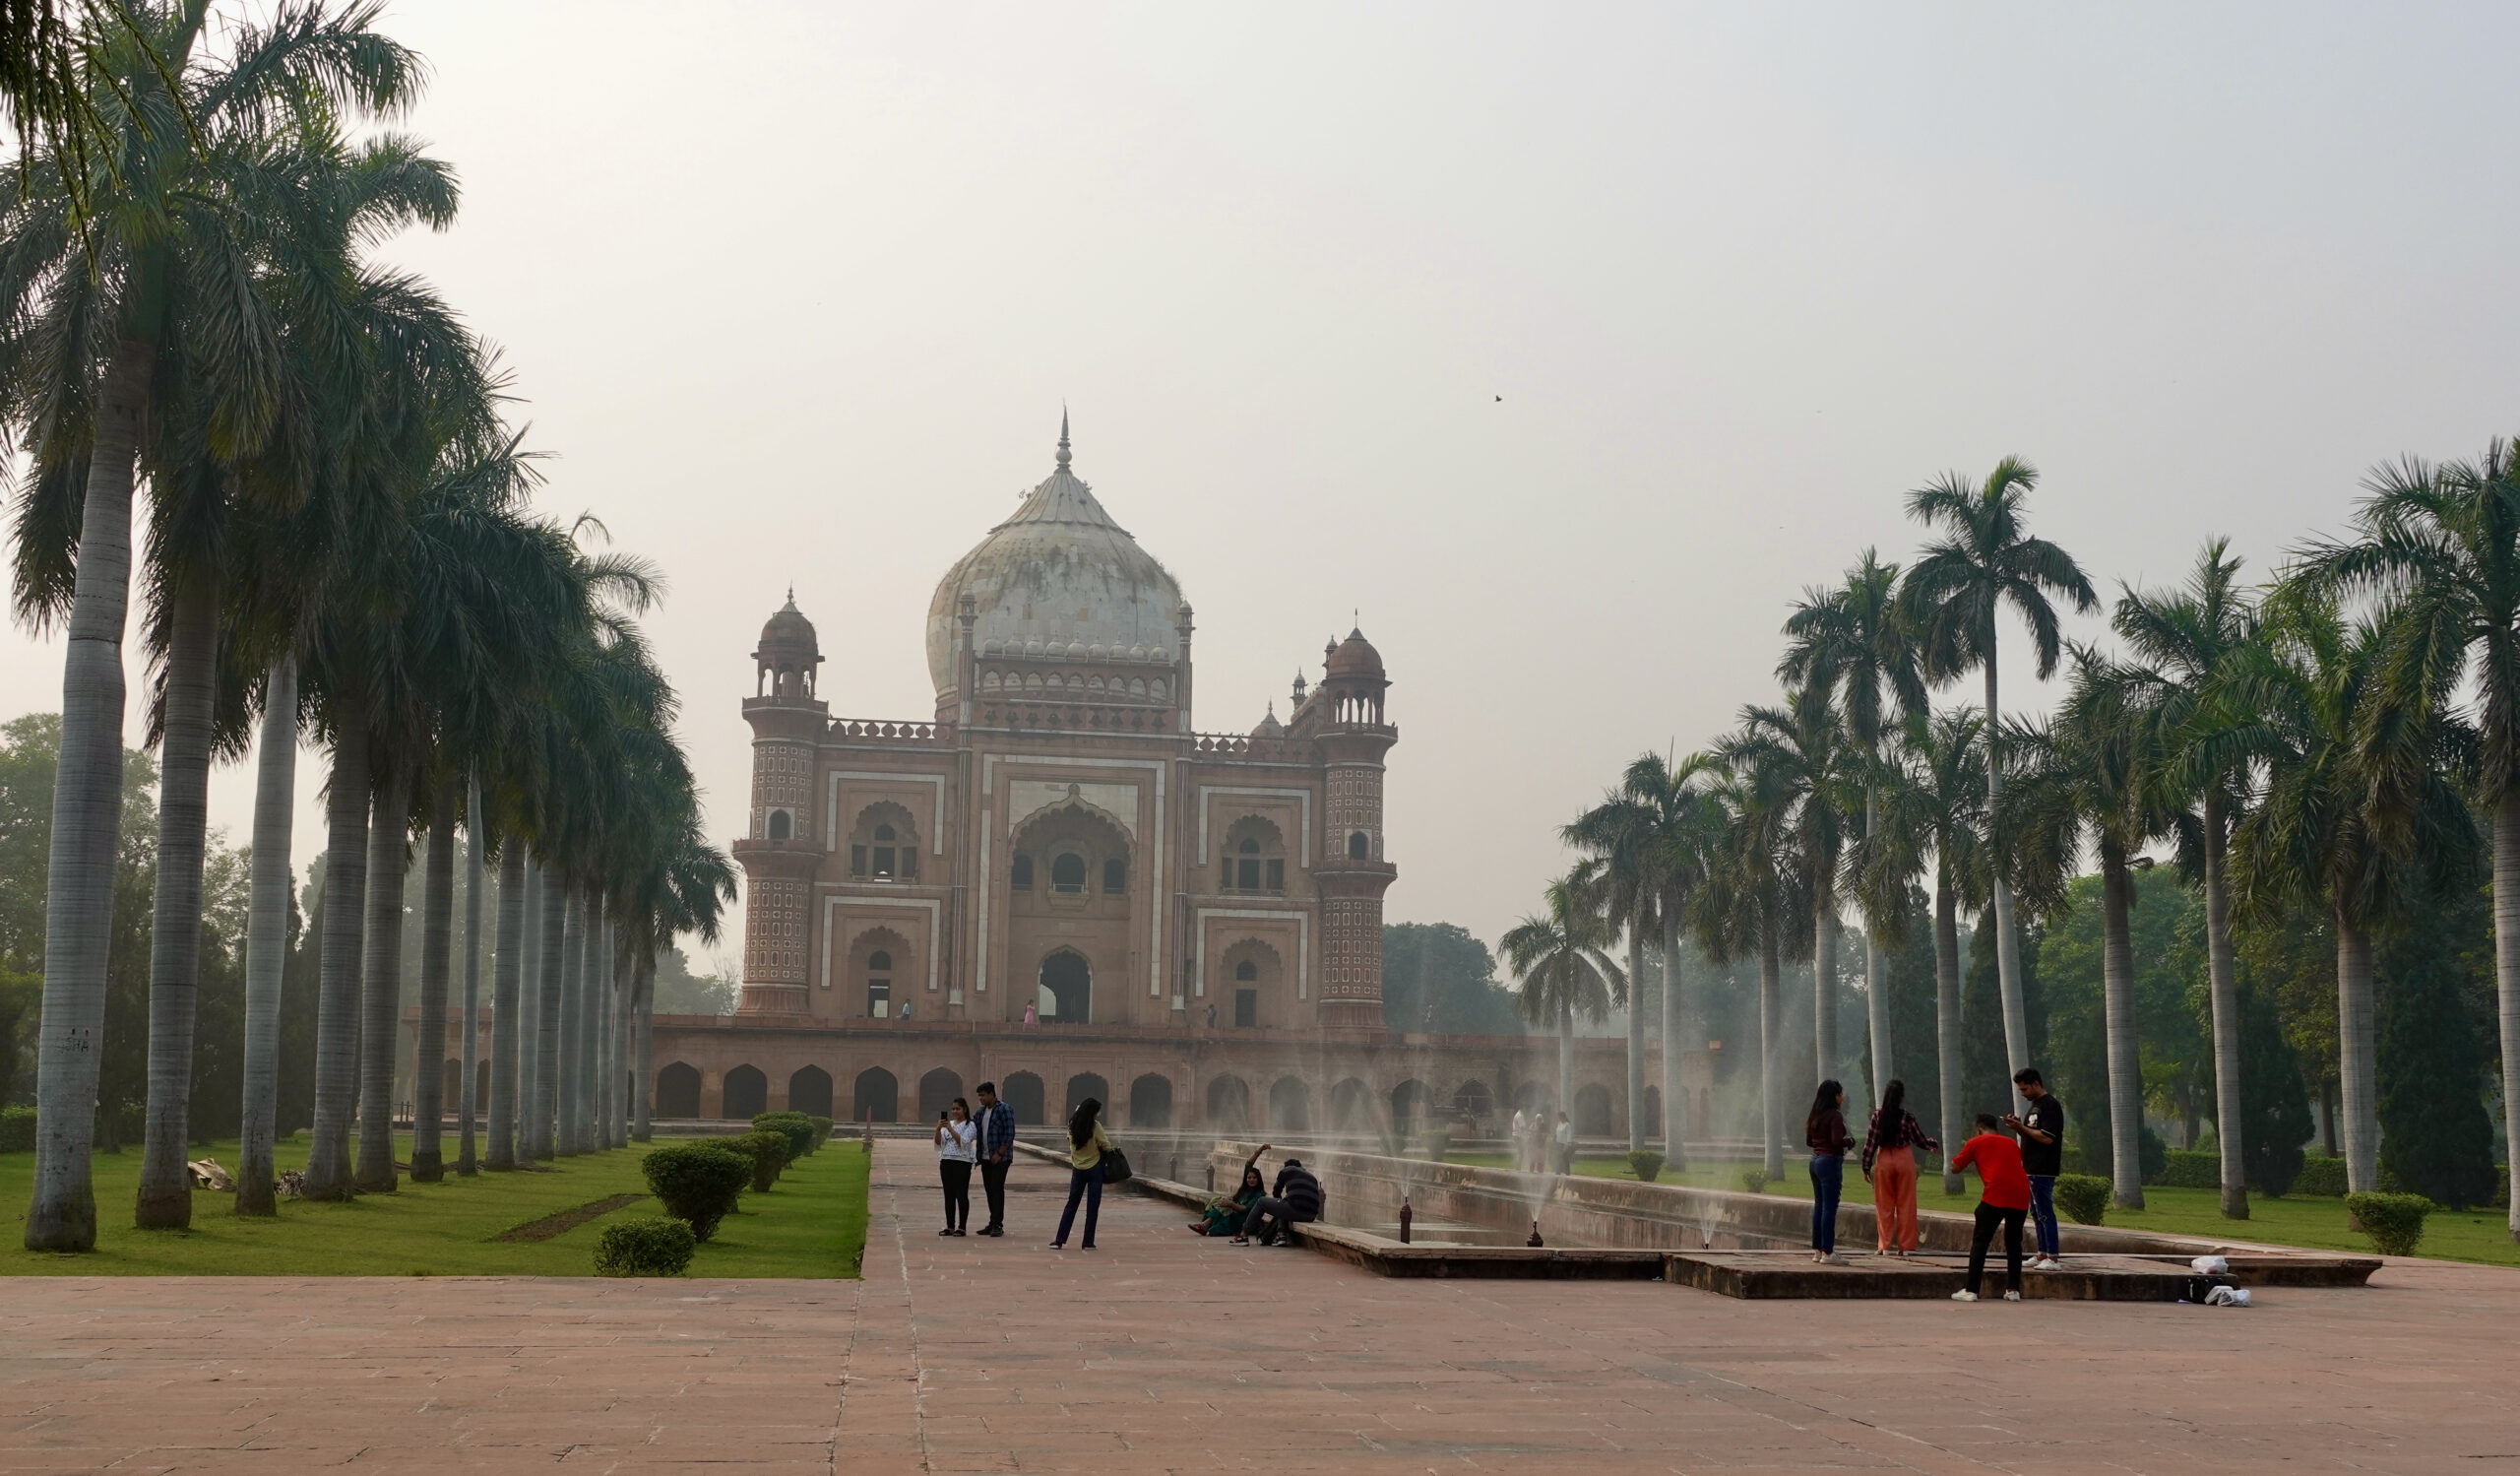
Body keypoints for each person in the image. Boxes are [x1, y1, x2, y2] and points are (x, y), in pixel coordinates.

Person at [1951, 1113, 2032, 1302]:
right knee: (2013, 1243)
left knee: (1980, 1241)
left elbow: (1955, 1167)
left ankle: (1971, 1290)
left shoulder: (1975, 1142)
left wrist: (1972, 1158)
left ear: (1979, 1129)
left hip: (1996, 1193)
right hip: (2021, 1194)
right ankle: (2013, 1290)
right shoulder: (2011, 1143)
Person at [1861, 1079, 1939, 1257]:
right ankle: (1905, 1247)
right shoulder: (1907, 1117)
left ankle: (1885, 1246)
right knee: (1906, 1204)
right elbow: (1919, 1139)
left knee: (1884, 1204)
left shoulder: (1877, 1116)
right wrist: (1932, 1144)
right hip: (1904, 1158)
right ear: (1902, 1097)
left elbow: (1870, 1143)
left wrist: (1866, 1167)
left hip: (1884, 1159)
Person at [2003, 1067, 2066, 1270]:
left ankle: (2053, 1256)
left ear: (2036, 1084)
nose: (2022, 1093)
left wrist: (2020, 1128)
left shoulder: (2050, 1106)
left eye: (2024, 1089)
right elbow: (2032, 1133)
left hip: (2043, 1167)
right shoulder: (2035, 1106)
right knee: (2036, 1211)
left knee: (2045, 1211)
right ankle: (2042, 1253)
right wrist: (2019, 1125)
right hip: (2030, 1167)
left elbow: (2047, 1138)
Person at [1050, 1096, 1112, 1251]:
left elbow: (1069, 1141)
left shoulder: (1073, 1124)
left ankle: (1059, 1240)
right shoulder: (1095, 1126)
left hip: (1078, 1168)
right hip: (1095, 1169)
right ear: (1093, 1112)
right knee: (1092, 1206)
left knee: (1071, 1204)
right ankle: (1087, 1242)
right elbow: (1106, 1145)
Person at [1805, 1079, 1853, 1266]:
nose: (1842, 1097)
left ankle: (1818, 1250)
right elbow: (1835, 1141)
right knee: (1829, 1208)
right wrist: (1849, 1142)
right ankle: (1828, 1251)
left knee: (1819, 1206)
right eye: (1840, 1094)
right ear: (1834, 1096)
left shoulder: (1815, 1114)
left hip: (1815, 1161)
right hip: (1829, 1162)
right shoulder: (1835, 1116)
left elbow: (1809, 1141)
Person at [1233, 1155, 1325, 1245]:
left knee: (1262, 1201)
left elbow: (1276, 1192)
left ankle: (1243, 1235)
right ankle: (1281, 1235)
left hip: (1295, 1210)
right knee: (1284, 1203)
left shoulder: (1286, 1171)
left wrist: (1277, 1203)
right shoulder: (1312, 1178)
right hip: (1310, 1216)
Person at [1193, 1144, 1270, 1236]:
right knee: (1215, 1200)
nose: (1251, 1180)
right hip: (1233, 1214)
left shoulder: (1259, 1194)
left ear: (1259, 1179)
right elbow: (1248, 1164)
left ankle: (1205, 1225)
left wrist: (1230, 1204)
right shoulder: (1245, 1188)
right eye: (1249, 1177)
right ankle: (1204, 1225)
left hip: (1242, 1220)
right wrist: (1260, 1150)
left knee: (1214, 1230)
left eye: (1254, 1178)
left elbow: (1245, 1209)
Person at [974, 1080, 1017, 1238]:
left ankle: (998, 1224)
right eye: (979, 1096)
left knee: (997, 1189)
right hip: (985, 1157)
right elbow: (972, 1129)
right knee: (989, 1190)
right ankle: (993, 1222)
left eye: (983, 1095)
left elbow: (1009, 1133)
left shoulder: (1004, 1109)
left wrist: (999, 1153)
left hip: (1001, 1158)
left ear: (992, 1094)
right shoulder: (980, 1112)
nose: (981, 1099)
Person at [934, 1097, 978, 1236]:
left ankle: (962, 1227)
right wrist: (938, 1129)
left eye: (958, 1108)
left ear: (964, 1109)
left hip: (962, 1162)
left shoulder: (970, 1125)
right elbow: (938, 1143)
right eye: (953, 1109)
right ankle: (950, 1226)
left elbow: (964, 1143)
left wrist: (951, 1129)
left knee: (961, 1194)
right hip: (946, 1161)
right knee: (949, 1195)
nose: (955, 1111)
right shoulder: (949, 1124)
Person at [1551, 1111, 1575, 1175]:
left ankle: (1567, 1173)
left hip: (1564, 1144)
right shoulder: (1559, 1123)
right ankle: (1558, 1171)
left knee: (1565, 1159)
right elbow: (1557, 1133)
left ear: (1563, 1117)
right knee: (1558, 1158)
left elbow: (1569, 1136)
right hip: (1558, 1143)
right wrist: (1554, 1139)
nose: (1558, 1118)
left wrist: (1567, 1145)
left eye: (1559, 1117)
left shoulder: (1567, 1125)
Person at [1510, 1106, 1533, 1171]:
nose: (1526, 1110)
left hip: (1517, 1136)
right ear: (1523, 1108)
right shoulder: (1520, 1116)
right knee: (1520, 1152)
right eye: (1526, 1108)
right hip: (1518, 1136)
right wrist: (1529, 1133)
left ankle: (1518, 1167)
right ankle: (1518, 1168)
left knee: (1520, 1152)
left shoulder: (1518, 1114)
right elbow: (1522, 1128)